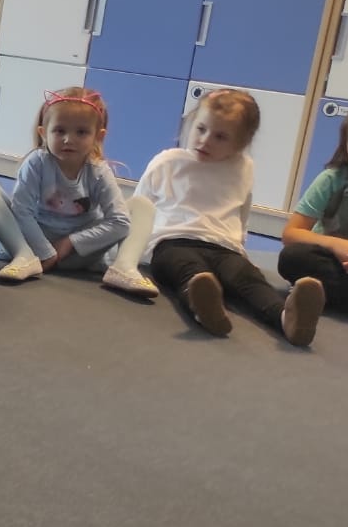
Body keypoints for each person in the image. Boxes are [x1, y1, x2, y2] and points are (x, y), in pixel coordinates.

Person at [137, 88, 325, 345]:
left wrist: (240, 246)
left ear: (240, 143)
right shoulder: (168, 162)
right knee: (189, 270)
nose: (205, 140)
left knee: (248, 279)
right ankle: (204, 307)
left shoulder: (243, 167)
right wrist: (129, 254)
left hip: (224, 247)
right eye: (201, 129)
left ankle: (286, 318)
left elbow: (241, 209)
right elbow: (140, 204)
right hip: (173, 241)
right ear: (191, 123)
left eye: (220, 137)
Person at [0, 87, 158, 296]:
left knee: (142, 205)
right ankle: (23, 256)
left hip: (77, 254)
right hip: (34, 245)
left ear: (98, 136)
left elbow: (120, 222)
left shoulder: (98, 171)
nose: (69, 139)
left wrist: (71, 242)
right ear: (43, 132)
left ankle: (124, 268)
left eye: (81, 132)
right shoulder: (37, 163)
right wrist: (44, 251)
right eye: (60, 131)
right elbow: (22, 211)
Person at [278, 94, 348, 321]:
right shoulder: (332, 179)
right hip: (331, 259)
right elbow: (291, 234)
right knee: (292, 258)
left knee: (314, 280)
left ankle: (334, 294)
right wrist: (336, 245)